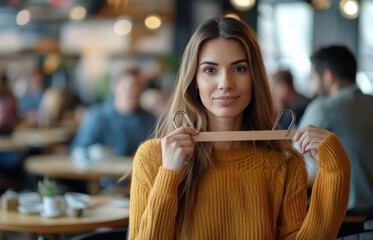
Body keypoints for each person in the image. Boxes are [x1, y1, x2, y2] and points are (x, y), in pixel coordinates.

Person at [129, 17, 350, 239]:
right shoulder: (152, 158)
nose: (225, 82)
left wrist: (336, 171)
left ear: (254, 77)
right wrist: (169, 175)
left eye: (239, 68)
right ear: (194, 79)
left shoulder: (285, 164)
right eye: (210, 70)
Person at [298, 45, 373, 217]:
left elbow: (295, 159)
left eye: (313, 78)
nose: (312, 89)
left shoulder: (323, 108)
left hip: (346, 219)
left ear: (328, 76)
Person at [71, 66, 156, 157]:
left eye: (138, 86)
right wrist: (95, 153)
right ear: (115, 87)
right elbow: (77, 149)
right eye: (129, 87)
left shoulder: (149, 120)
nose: (135, 91)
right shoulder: (98, 116)